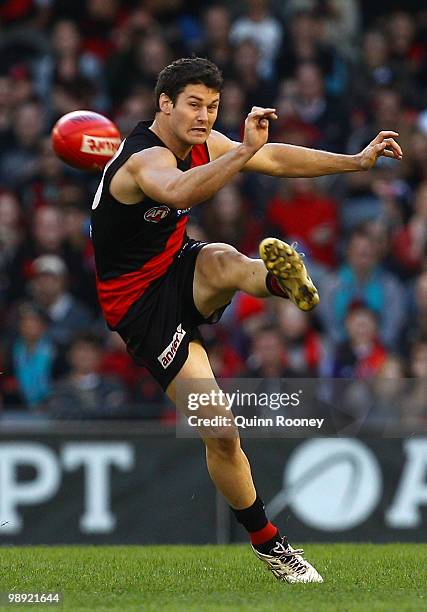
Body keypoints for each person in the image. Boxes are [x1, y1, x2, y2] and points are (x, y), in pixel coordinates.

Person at [90, 57, 402, 584]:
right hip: (140, 309)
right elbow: (183, 191)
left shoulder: (198, 143)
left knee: (224, 259)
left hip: (177, 267)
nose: (205, 116)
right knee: (221, 431)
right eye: (194, 105)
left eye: (212, 107)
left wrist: (356, 161)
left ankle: (281, 283)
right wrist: (243, 150)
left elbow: (275, 159)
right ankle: (270, 544)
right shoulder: (143, 161)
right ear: (164, 104)